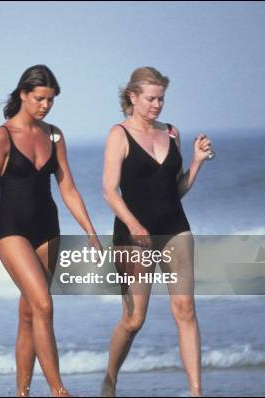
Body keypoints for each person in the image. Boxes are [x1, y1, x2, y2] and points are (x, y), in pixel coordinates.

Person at [0, 64, 101, 397]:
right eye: (40, 98)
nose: (45, 105)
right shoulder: (1, 137)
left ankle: (22, 392)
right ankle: (59, 390)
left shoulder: (55, 135)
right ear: (23, 94)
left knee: (30, 313)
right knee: (44, 305)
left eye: (51, 100)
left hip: (48, 229)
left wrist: (89, 230)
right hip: (11, 231)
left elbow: (68, 188)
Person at [100, 66, 212, 397]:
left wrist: (197, 161)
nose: (157, 105)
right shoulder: (118, 134)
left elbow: (173, 190)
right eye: (150, 99)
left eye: (161, 98)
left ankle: (195, 391)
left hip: (175, 228)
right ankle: (110, 380)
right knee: (134, 320)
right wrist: (135, 226)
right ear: (132, 97)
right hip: (133, 234)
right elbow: (109, 190)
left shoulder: (172, 132)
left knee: (186, 309)